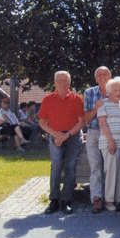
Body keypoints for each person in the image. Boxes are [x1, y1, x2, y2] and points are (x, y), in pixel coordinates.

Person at [38, 71, 85, 215]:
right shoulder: (48, 99)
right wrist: (56, 134)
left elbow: (81, 122)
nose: (63, 83)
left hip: (72, 135)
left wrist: (66, 135)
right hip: (55, 135)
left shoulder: (76, 99)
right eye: (60, 80)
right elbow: (42, 122)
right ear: (55, 83)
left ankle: (66, 200)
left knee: (70, 166)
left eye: (66, 80)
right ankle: (54, 200)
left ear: (69, 83)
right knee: (56, 165)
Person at [84, 66, 118, 214]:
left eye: (106, 74)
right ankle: (96, 198)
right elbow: (86, 119)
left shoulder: (118, 90)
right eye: (100, 75)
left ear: (110, 76)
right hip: (94, 132)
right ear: (96, 78)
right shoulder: (89, 92)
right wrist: (96, 109)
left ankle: (112, 198)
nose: (103, 76)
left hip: (112, 133)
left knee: (111, 167)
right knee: (95, 167)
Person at [97, 77, 120, 213]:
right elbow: (102, 124)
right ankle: (109, 200)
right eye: (115, 90)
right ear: (109, 91)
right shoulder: (103, 104)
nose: (118, 92)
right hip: (109, 143)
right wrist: (111, 141)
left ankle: (119, 200)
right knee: (110, 171)